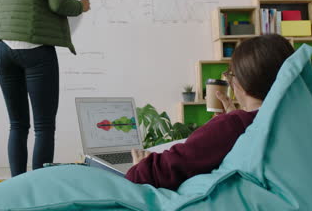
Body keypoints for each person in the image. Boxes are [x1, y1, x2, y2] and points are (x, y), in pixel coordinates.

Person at [126, 34, 295, 190]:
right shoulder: (291, 119)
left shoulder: (233, 125)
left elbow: (164, 170)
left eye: (231, 75)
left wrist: (140, 167)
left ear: (240, 83)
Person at [0, 0, 90, 177]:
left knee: (17, 125)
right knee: (44, 127)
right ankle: (37, 193)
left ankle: (17, 191)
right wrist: (81, 6)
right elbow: (57, 3)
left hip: (1, 47)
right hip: (36, 48)